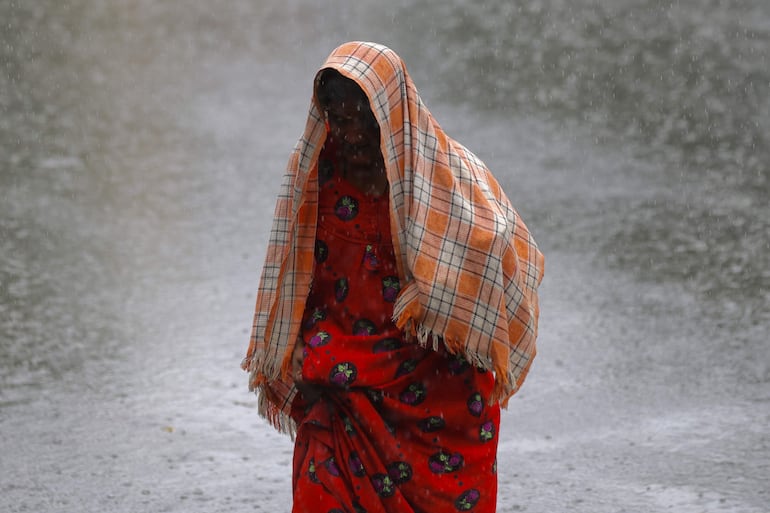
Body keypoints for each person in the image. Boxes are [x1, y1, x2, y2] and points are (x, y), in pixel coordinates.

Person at [242, 41, 544, 513]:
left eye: (363, 120)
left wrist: (444, 294)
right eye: (338, 121)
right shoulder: (316, 180)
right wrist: (301, 346)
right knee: (322, 495)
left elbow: (499, 251)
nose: (353, 136)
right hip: (343, 386)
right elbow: (296, 276)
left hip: (432, 392)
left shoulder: (447, 178)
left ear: (390, 114)